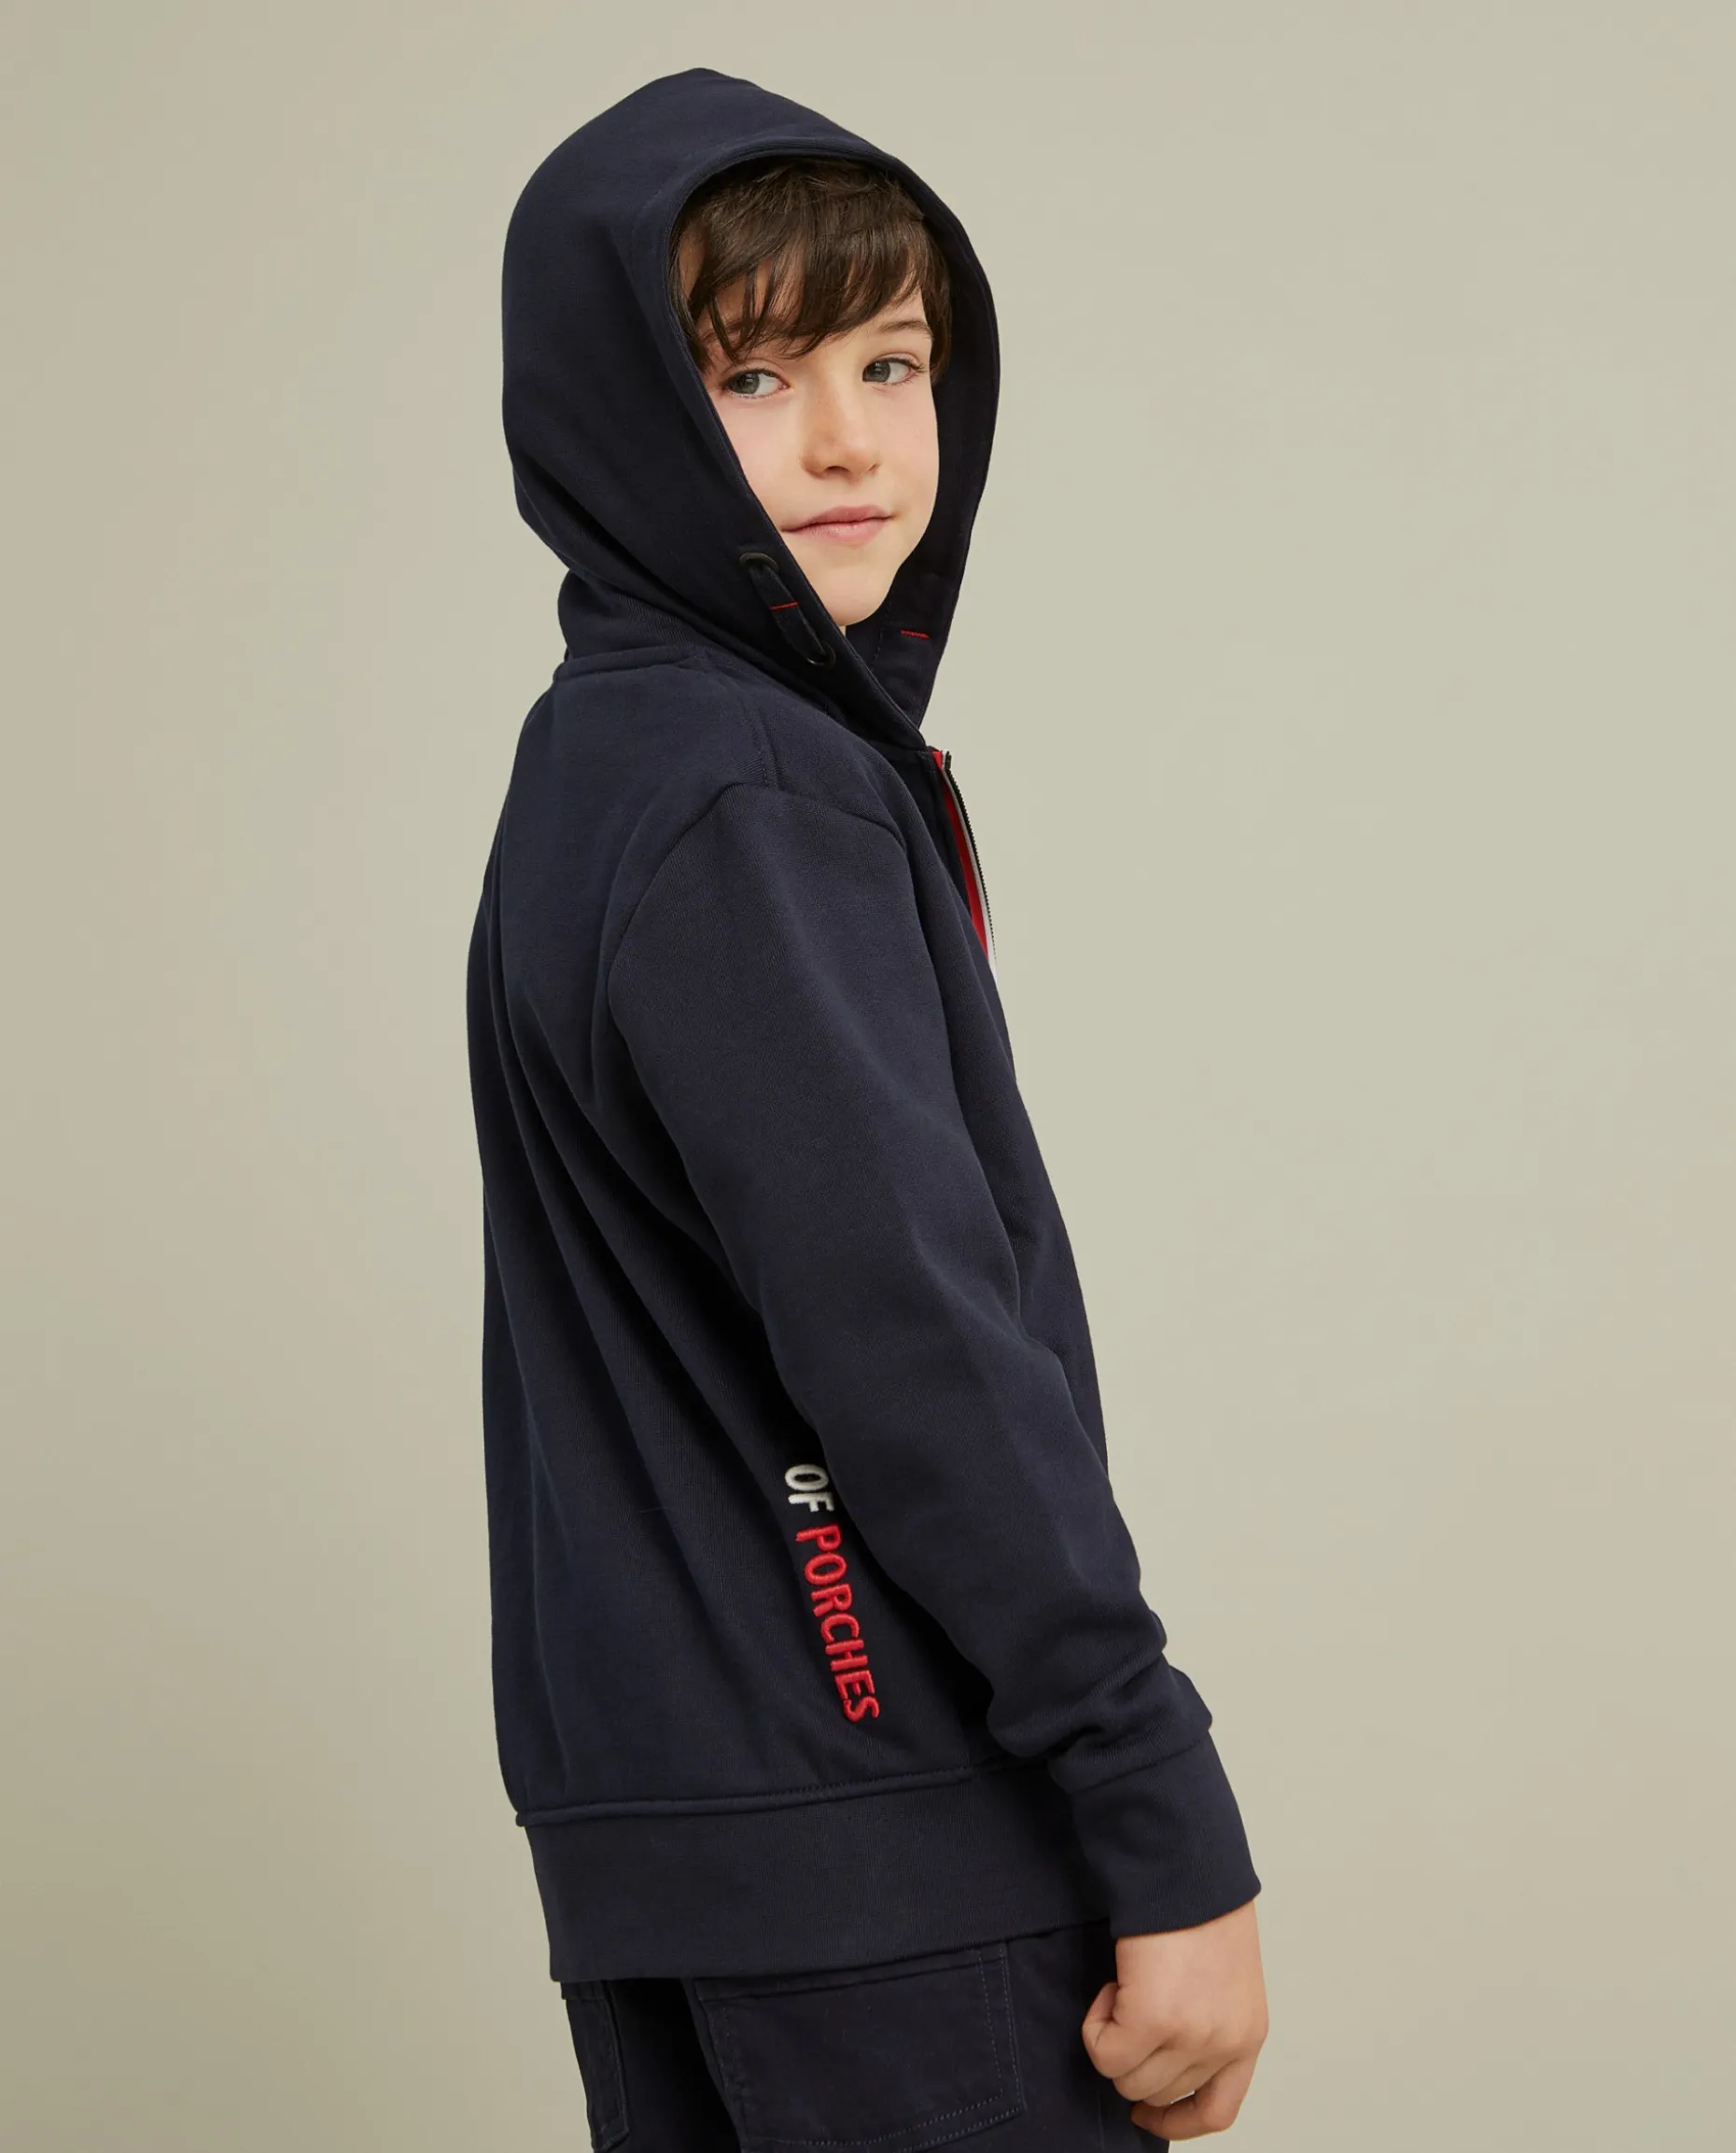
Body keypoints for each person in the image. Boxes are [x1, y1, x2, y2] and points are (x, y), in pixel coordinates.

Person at [466, 65, 1268, 2147]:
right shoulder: (752, 790)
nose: (848, 440)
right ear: (618, 414)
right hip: (881, 1828)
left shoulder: (601, 761)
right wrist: (1159, 1805)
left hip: (694, 1827)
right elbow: (908, 1335)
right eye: (750, 377)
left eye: (892, 362)